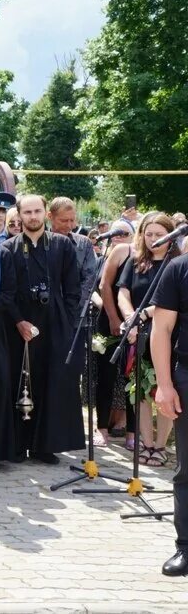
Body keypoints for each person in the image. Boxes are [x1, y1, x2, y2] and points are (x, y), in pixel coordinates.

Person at [1, 195, 84, 464]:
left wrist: (67, 321)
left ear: (45, 213)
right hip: (17, 324)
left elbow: (73, 288)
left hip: (54, 323)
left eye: (37, 211)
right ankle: (16, 443)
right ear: (19, 215)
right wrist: (18, 321)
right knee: (17, 381)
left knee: (51, 382)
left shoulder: (62, 245)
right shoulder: (8, 249)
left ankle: (43, 445)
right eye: (28, 212)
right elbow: (6, 292)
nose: (33, 216)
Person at [118, 212, 176, 467]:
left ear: (170, 236)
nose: (153, 239)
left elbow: (168, 301)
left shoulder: (176, 263)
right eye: (149, 234)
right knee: (140, 391)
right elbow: (123, 291)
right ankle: (146, 444)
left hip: (167, 335)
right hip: (137, 333)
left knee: (164, 389)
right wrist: (131, 317)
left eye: (159, 235)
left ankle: (161, 445)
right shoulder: (135, 261)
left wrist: (143, 315)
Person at [149, 247, 188, 576]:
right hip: (187, 374)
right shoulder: (179, 268)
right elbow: (160, 329)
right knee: (187, 469)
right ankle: (186, 548)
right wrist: (164, 384)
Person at [97, 221, 135, 446]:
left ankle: (133, 432)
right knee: (107, 375)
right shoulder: (122, 252)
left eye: (126, 233)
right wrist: (113, 318)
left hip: (139, 324)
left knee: (135, 379)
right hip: (112, 321)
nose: (120, 237)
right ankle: (102, 428)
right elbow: (104, 285)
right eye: (118, 233)